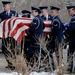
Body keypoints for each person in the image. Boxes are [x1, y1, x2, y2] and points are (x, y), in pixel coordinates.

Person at [0, 1, 18, 70]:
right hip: (5, 35)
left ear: (9, 6)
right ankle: (9, 63)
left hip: (13, 35)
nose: (4, 7)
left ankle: (13, 64)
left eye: (5, 6)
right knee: (5, 50)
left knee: (13, 49)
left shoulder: (14, 13)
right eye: (3, 6)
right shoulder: (1, 14)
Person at [66, 6, 75, 73]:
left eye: (69, 11)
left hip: (73, 39)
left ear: (73, 10)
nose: (68, 12)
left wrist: (66, 32)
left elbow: (71, 29)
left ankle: (70, 69)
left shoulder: (73, 18)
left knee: (70, 54)